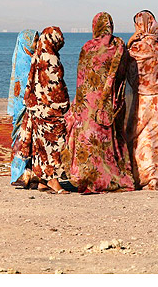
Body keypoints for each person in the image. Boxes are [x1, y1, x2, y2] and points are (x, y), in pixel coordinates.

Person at [61, 12, 135, 193]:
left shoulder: (88, 47)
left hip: (88, 102)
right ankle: (112, 177)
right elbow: (122, 76)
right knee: (109, 140)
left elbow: (81, 77)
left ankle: (89, 177)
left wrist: (78, 104)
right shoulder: (119, 47)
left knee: (89, 140)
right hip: (110, 102)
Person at [12, 26, 70, 194]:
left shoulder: (36, 56)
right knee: (54, 145)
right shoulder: (50, 58)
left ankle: (43, 181)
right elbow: (54, 87)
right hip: (50, 110)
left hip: (37, 110)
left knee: (41, 146)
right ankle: (54, 181)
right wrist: (64, 104)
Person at [126, 10, 158, 190]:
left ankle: (145, 177)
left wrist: (131, 40)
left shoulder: (138, 48)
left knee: (141, 136)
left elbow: (123, 63)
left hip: (143, 98)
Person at [7, 30, 39, 186]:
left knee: (29, 140)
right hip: (23, 108)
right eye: (35, 41)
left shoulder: (30, 59)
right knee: (22, 138)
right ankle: (18, 174)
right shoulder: (24, 63)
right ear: (27, 43)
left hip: (29, 106)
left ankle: (29, 174)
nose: (37, 44)